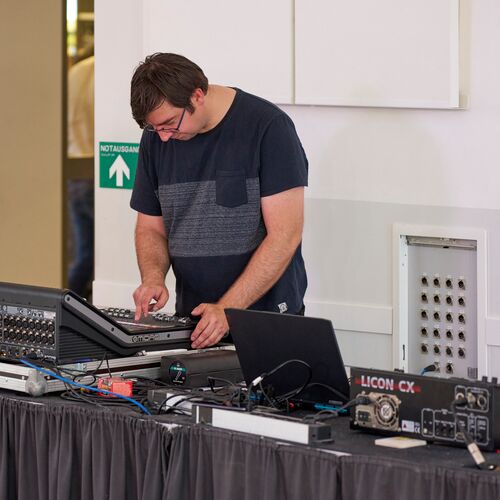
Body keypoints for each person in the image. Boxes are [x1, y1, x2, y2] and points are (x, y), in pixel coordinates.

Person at [129, 53, 308, 349]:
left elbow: (285, 236)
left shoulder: (268, 127)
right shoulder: (156, 139)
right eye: (154, 128)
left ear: (197, 96)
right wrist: (153, 278)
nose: (163, 137)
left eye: (170, 124)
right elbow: (150, 228)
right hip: (196, 323)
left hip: (267, 321)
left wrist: (227, 309)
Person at [67, 54, 95, 299]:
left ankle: (68, 305)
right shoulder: (100, 70)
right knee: (105, 249)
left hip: (72, 170)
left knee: (83, 251)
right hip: (94, 170)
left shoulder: (74, 72)